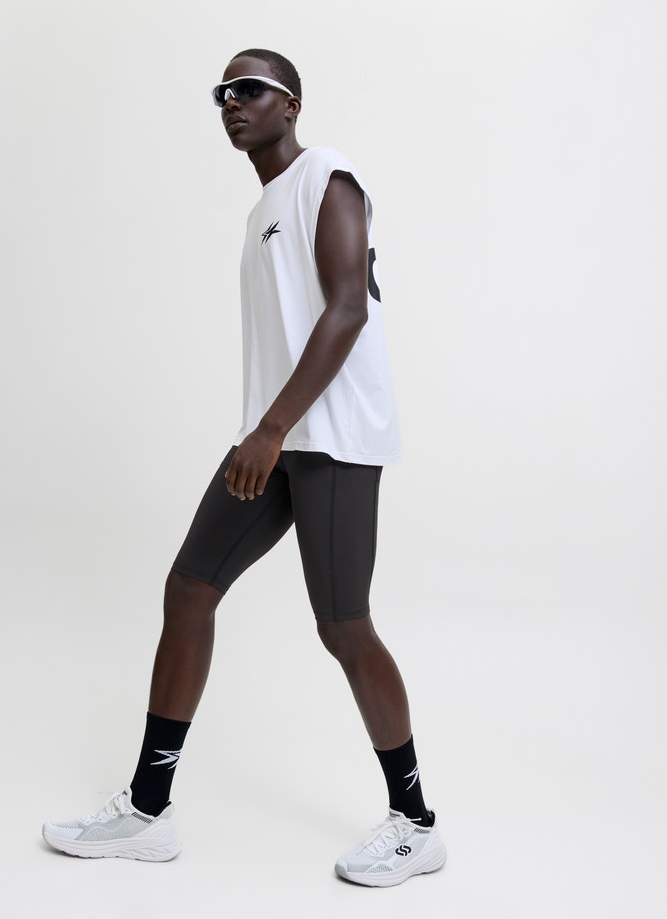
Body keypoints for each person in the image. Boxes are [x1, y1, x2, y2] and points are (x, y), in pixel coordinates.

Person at [42, 48, 446, 887]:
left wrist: (270, 427)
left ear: (290, 103)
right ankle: (148, 809)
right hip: (276, 438)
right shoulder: (262, 208)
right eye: (222, 93)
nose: (232, 102)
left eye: (250, 89)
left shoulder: (326, 175)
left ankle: (415, 822)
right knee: (189, 588)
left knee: (343, 625)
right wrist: (263, 432)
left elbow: (346, 309)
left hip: (330, 438)